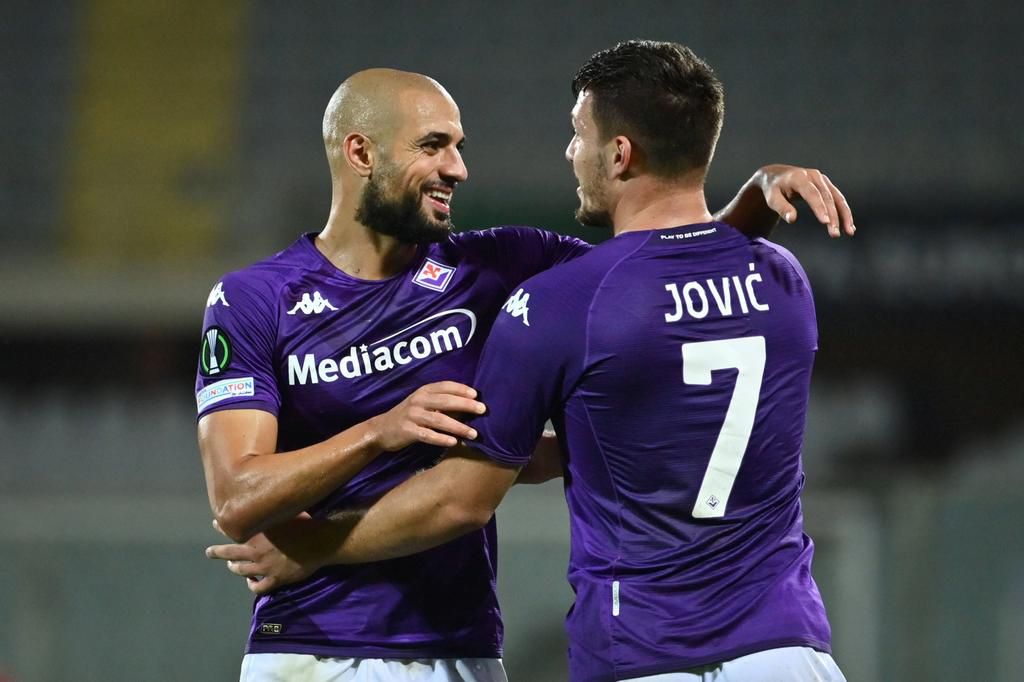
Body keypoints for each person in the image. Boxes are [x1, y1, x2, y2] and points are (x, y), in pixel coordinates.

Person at [199, 63, 852, 681]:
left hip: (463, 648)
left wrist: (753, 205)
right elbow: (237, 499)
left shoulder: (505, 263)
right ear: (363, 154)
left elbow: (657, 268)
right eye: (433, 146)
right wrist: (381, 431)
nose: (457, 168)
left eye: (457, 146)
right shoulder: (256, 299)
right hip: (314, 646)